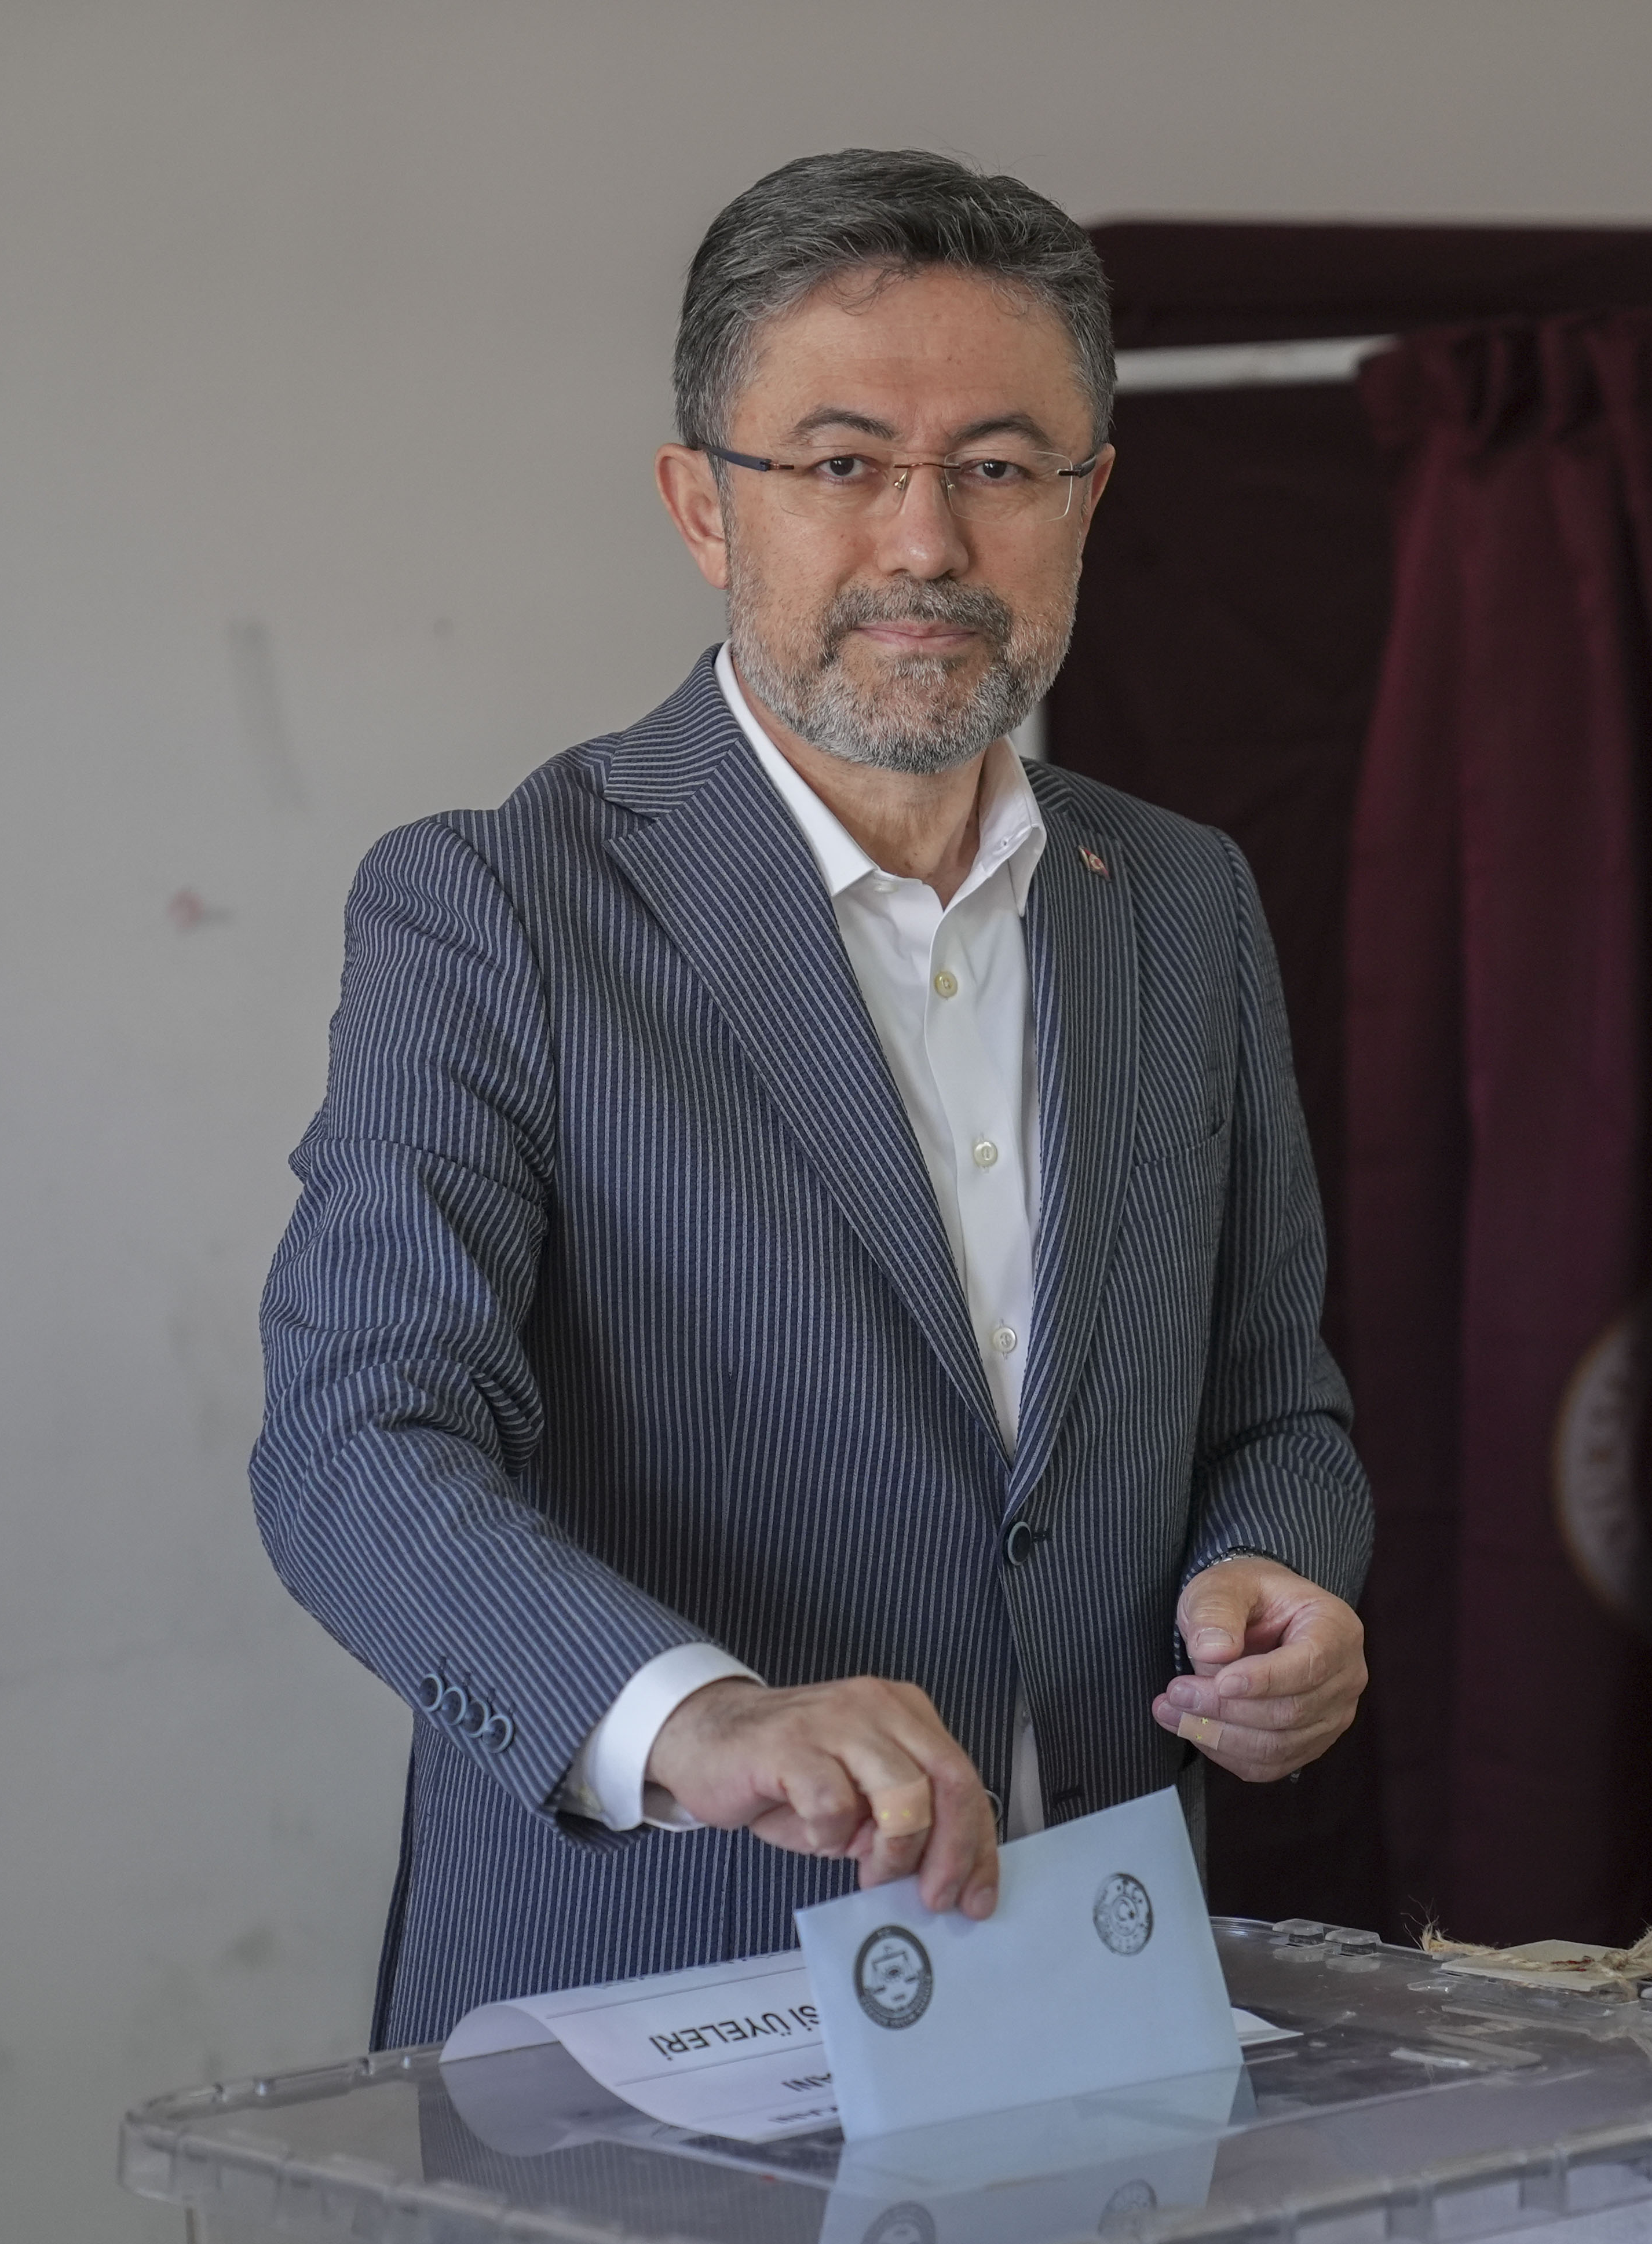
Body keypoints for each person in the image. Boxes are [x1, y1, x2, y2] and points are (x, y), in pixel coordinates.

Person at [253, 149, 1373, 2051]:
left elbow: (1276, 1395)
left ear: (1088, 502)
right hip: (647, 2023)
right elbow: (358, 1442)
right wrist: (699, 1718)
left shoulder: (1184, 900)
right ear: (702, 504)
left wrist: (1278, 1574)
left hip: (1095, 1999)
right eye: (841, 462)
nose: (926, 544)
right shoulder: (497, 904)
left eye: (1000, 467)